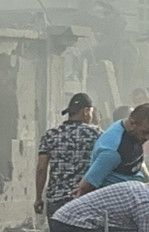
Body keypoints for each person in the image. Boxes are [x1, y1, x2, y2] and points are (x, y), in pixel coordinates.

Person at [36, 93, 101, 223]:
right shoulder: (97, 135)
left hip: (56, 201)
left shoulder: (50, 135)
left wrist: (38, 197)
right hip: (85, 199)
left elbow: (41, 169)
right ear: (86, 111)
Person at [82, 104, 149, 193]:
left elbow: (138, 159)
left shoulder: (132, 131)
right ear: (132, 123)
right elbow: (87, 185)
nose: (148, 137)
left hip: (136, 187)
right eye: (145, 132)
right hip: (117, 196)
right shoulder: (112, 151)